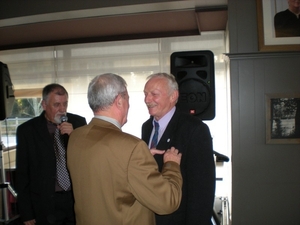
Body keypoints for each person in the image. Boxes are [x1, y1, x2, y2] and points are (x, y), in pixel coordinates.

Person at [67, 73, 183, 225]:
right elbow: (167, 202)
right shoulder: (131, 148)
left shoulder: (76, 137)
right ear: (119, 101)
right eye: (128, 98)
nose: (145, 100)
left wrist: (137, 162)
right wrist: (171, 165)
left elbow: (104, 175)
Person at [142, 72, 216, 225]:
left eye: (154, 94)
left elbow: (202, 190)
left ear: (173, 96)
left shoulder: (195, 129)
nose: (147, 100)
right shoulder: (147, 127)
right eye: (146, 94)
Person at [16, 83, 87, 225]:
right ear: (44, 105)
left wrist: (75, 137)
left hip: (75, 199)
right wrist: (26, 213)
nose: (62, 110)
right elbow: (22, 174)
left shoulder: (78, 123)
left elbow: (88, 159)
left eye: (65, 104)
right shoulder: (27, 130)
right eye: (56, 105)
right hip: (45, 204)